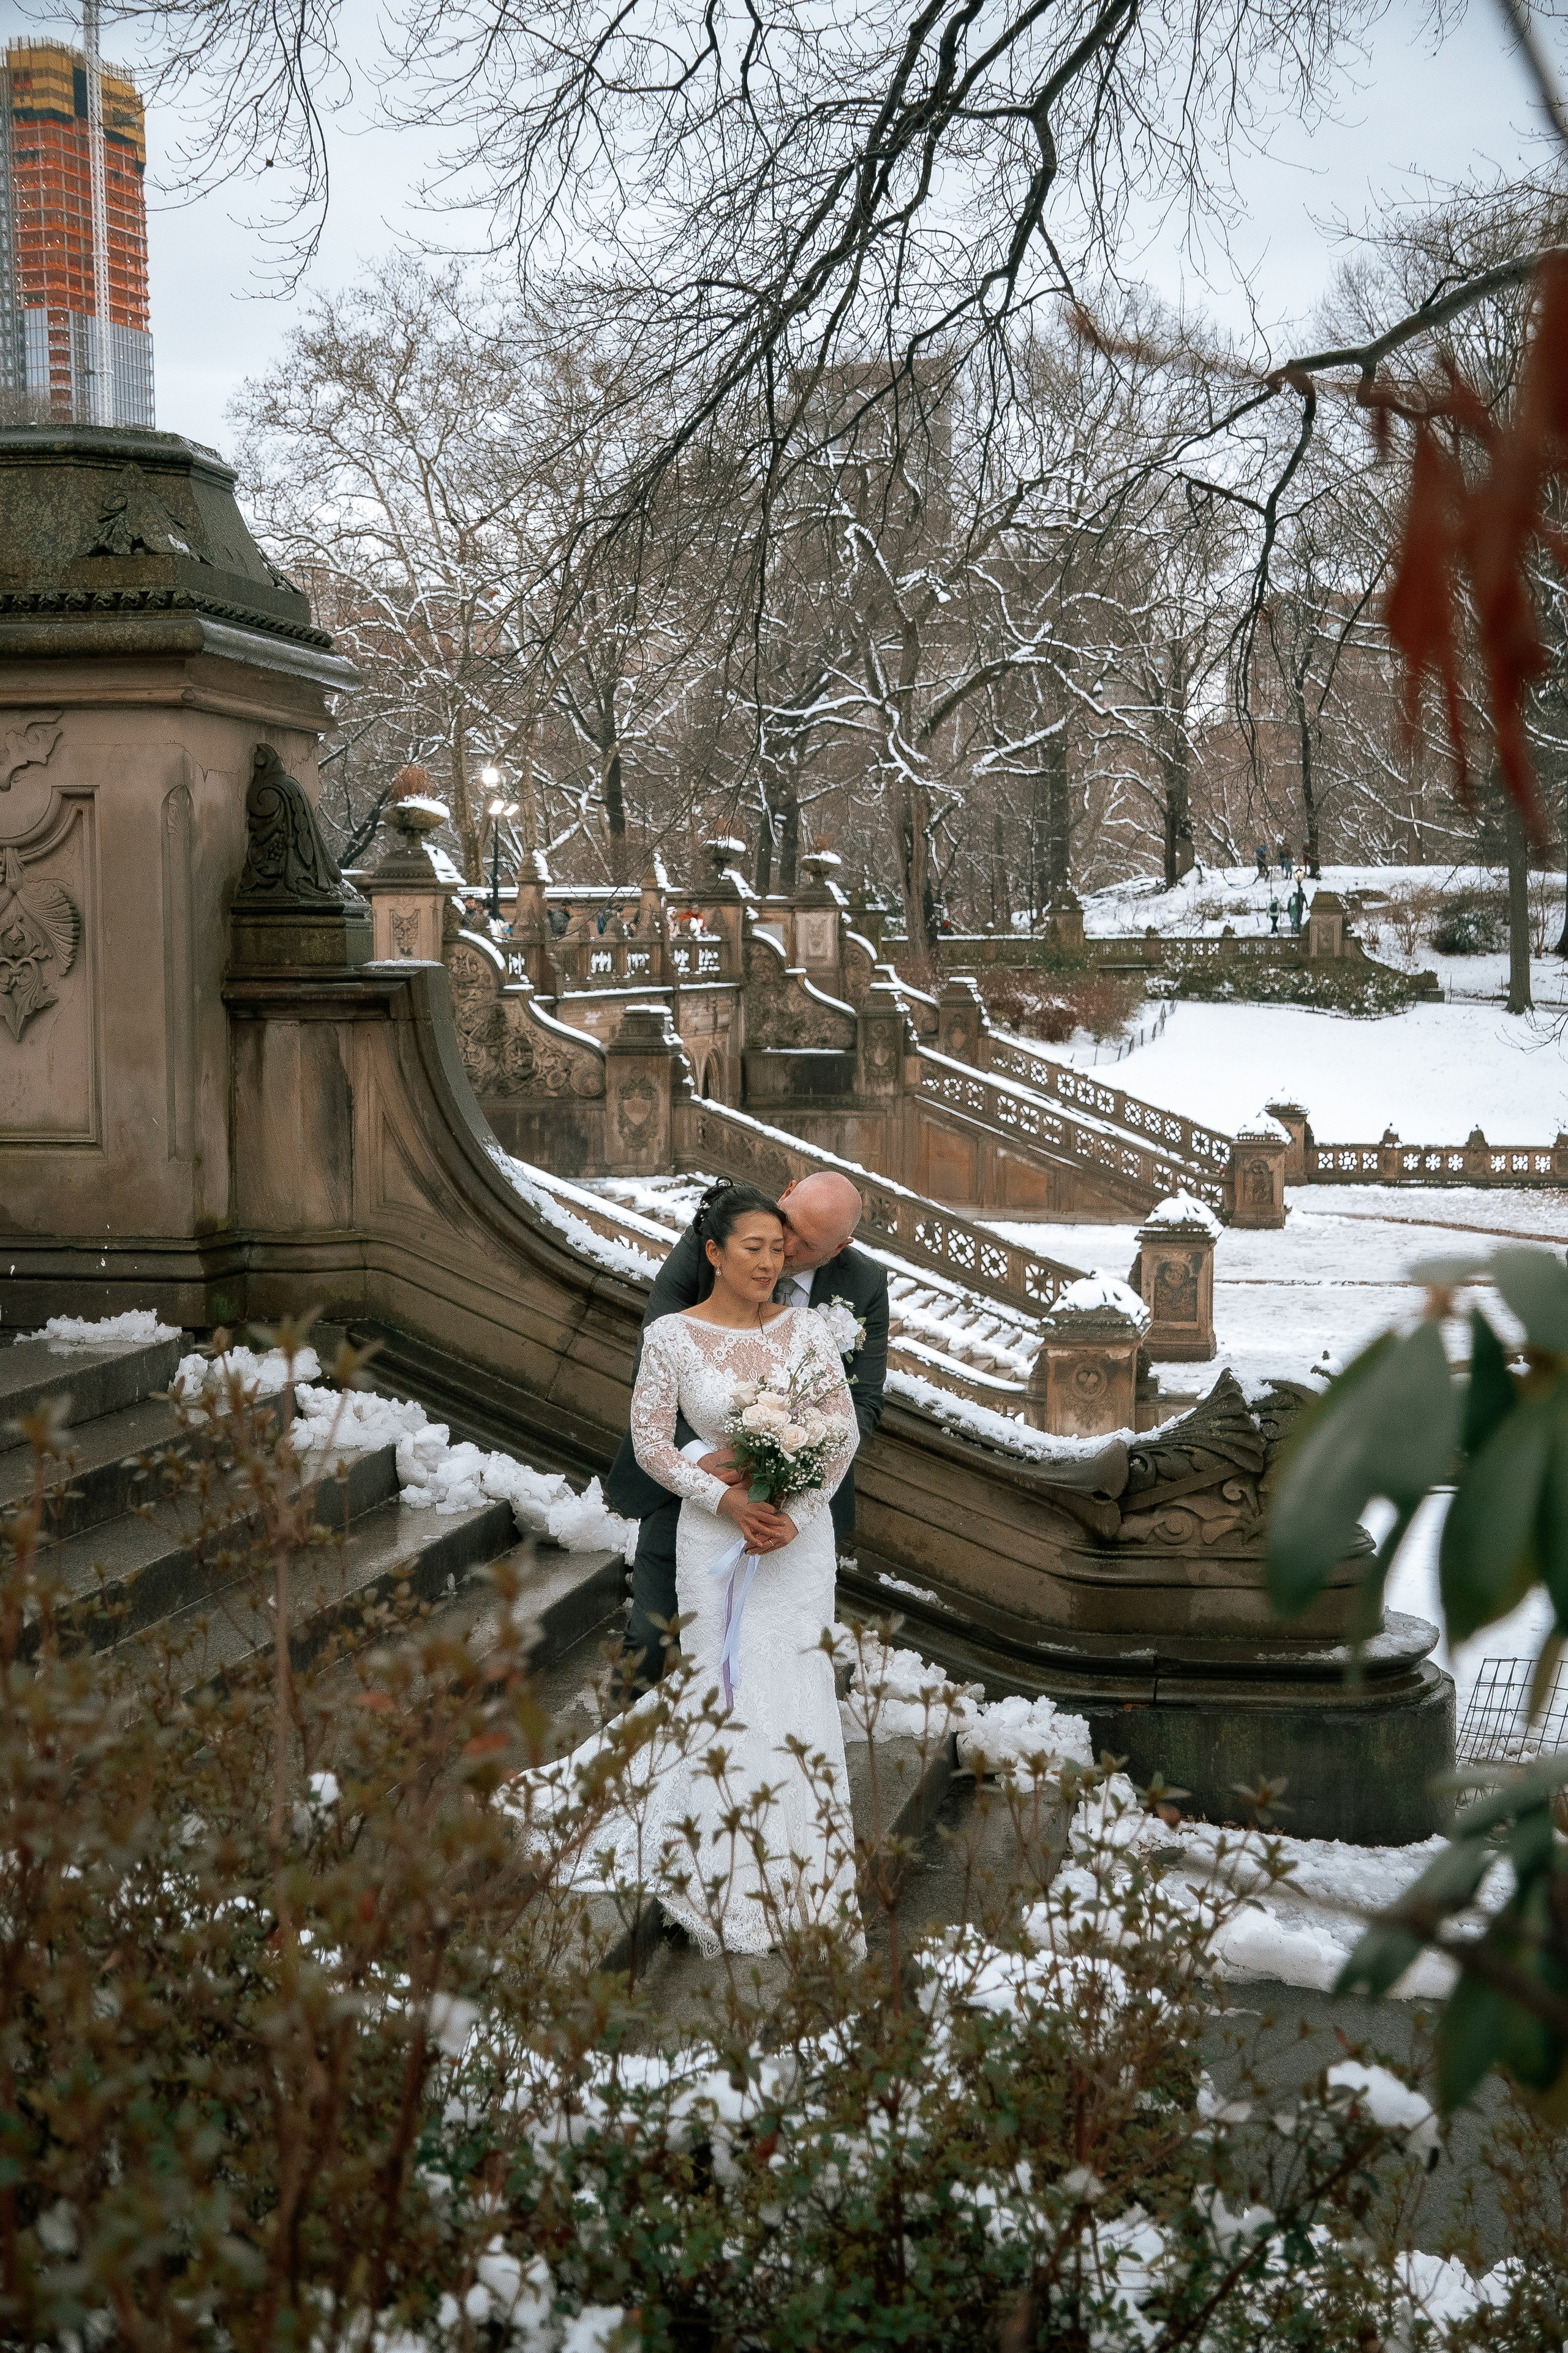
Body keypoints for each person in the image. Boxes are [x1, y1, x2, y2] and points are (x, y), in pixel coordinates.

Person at [620, 1180, 862, 1952]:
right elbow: (652, 1443)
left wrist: (797, 1511)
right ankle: (723, 1861)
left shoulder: (807, 1331)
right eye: (752, 1249)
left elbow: (842, 1431)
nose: (769, 1262)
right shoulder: (671, 1339)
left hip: (797, 1542)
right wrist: (723, 1503)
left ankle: (809, 1864)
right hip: (714, 1537)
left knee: (795, 1684)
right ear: (716, 1254)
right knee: (724, 1686)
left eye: (778, 1249)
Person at [606, 1168, 890, 1690]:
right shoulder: (709, 1243)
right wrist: (701, 1462)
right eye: (788, 1227)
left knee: (780, 1663)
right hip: (690, 1486)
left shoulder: (864, 1284)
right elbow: (654, 1362)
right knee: (651, 1639)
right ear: (785, 1194)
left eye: (806, 1243)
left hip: (793, 1499)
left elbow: (863, 1402)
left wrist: (793, 1464)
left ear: (841, 1247)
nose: (785, 1248)